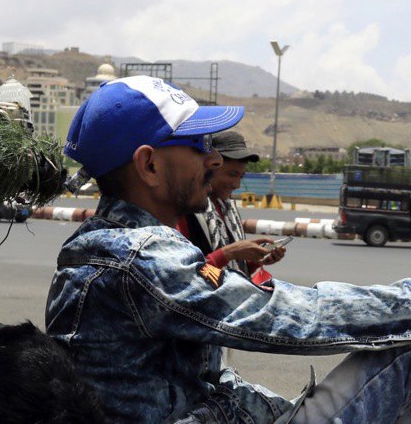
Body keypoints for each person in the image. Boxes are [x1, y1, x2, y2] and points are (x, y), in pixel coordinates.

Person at [46, 76, 411, 423]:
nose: (216, 160)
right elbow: (290, 316)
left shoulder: (104, 244)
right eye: (200, 144)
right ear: (150, 165)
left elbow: (209, 379)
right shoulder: (138, 257)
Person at [180, 130, 284, 277]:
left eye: (241, 177)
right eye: (232, 175)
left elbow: (233, 270)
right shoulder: (187, 210)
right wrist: (229, 252)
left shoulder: (227, 209)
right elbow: (187, 277)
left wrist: (256, 260)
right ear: (210, 166)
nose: (237, 185)